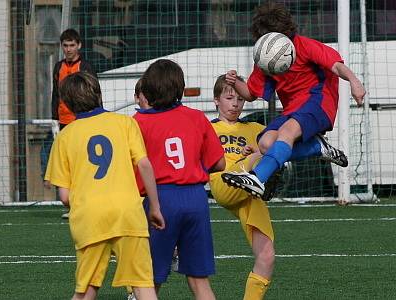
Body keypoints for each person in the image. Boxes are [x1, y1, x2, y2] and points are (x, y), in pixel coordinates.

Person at [222, 1, 366, 198]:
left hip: (319, 100)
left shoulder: (305, 45)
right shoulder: (265, 57)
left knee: (287, 132)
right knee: (265, 144)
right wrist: (235, 81)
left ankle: (258, 178)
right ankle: (317, 147)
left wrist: (354, 82)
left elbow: (337, 66)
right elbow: (250, 94)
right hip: (293, 109)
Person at [45, 72, 165, 300]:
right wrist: (155, 207)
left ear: (67, 103)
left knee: (86, 291)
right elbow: (144, 165)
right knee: (143, 286)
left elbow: (64, 196)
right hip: (127, 213)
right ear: (98, 94)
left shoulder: (64, 136)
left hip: (90, 217)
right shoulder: (125, 123)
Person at [133, 59, 225, 300]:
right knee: (199, 280)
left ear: (149, 88)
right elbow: (220, 163)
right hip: (196, 198)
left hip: (160, 199)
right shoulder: (196, 117)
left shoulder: (138, 123)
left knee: (149, 280)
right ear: (180, 88)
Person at [210, 74, 275, 299]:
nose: (235, 103)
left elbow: (284, 137)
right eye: (229, 98)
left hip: (251, 191)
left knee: (267, 255)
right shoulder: (207, 129)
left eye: (240, 98)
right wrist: (254, 156)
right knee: (260, 156)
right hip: (224, 181)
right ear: (216, 100)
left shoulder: (255, 128)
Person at [50, 28, 98, 218]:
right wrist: (54, 118)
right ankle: (73, 205)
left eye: (72, 45)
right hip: (64, 123)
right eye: (65, 45)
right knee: (68, 164)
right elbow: (55, 94)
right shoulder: (58, 67)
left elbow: (95, 92)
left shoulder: (85, 66)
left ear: (79, 46)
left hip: (83, 121)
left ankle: (85, 202)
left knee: (83, 162)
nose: (68, 49)